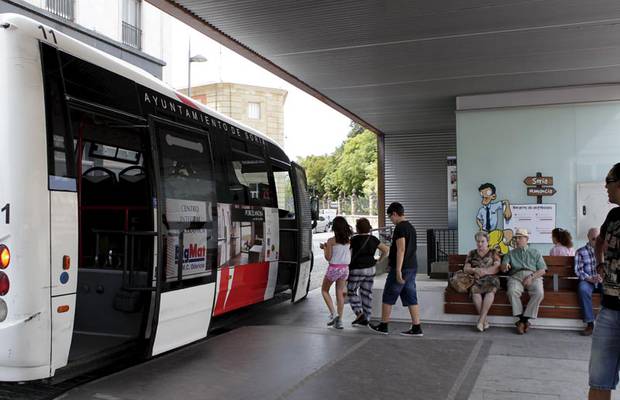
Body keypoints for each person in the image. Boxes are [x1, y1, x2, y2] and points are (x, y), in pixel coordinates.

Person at [588, 163, 620, 400]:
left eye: (607, 183)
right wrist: (600, 264)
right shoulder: (614, 215)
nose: (605, 188)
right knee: (599, 379)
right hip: (609, 309)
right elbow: (599, 240)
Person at [369, 202, 423, 336]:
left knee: (388, 295)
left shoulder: (400, 228)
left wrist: (397, 270)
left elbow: (401, 249)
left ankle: (384, 325)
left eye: (390, 217)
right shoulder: (411, 227)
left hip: (401, 268)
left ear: (394, 213)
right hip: (411, 266)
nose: (391, 220)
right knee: (411, 297)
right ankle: (417, 327)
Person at [500, 228, 547, 334]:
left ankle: (522, 321)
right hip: (516, 277)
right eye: (516, 238)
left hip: (533, 276)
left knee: (539, 293)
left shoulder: (535, 252)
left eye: (519, 238)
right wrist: (504, 266)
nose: (517, 240)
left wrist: (532, 276)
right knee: (512, 291)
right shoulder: (510, 253)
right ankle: (524, 321)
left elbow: (542, 270)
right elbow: (503, 268)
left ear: (526, 239)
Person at [347, 218, 389, 327]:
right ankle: (367, 318)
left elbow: (348, 253)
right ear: (369, 227)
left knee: (351, 291)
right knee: (367, 293)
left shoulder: (354, 239)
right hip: (371, 269)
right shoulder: (373, 239)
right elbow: (385, 250)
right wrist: (379, 260)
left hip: (356, 269)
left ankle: (359, 313)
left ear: (357, 228)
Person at [463, 231, 501, 332]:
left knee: (490, 291)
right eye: (478, 242)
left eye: (482, 241)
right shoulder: (472, 253)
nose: (480, 244)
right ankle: (484, 321)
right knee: (475, 291)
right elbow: (466, 268)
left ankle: (480, 321)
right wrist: (474, 270)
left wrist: (485, 271)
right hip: (477, 279)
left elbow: (497, 267)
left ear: (487, 241)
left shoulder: (493, 252)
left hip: (491, 278)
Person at [320, 216, 352, 330]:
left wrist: (324, 248)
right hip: (344, 270)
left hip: (334, 269)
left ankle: (333, 313)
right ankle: (340, 321)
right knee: (339, 293)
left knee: (324, 290)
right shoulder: (349, 240)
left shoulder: (331, 241)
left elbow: (328, 258)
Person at [575, 227, 602, 336]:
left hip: (602, 280)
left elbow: (610, 267)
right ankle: (590, 324)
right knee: (582, 289)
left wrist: (602, 277)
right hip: (587, 280)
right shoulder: (581, 251)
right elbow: (578, 270)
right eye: (593, 239)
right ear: (589, 238)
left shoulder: (605, 251)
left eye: (598, 239)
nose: (596, 241)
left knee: (610, 291)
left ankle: (607, 324)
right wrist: (590, 278)